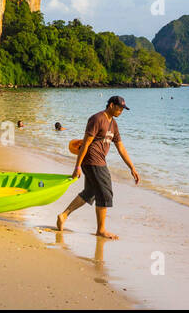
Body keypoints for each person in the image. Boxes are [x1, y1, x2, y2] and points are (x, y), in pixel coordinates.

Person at [56, 95, 139, 239]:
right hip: (93, 160)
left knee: (90, 192)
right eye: (119, 108)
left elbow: (120, 146)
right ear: (111, 105)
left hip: (97, 161)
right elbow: (86, 143)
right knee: (105, 193)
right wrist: (77, 167)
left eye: (123, 109)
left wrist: (132, 167)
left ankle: (63, 215)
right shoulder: (97, 119)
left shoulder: (113, 124)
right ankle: (101, 230)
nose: (121, 111)